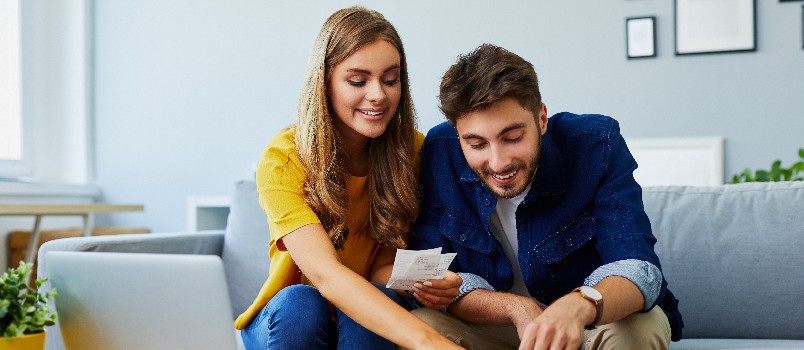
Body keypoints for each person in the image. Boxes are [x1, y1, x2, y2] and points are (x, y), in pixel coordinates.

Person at [407, 44, 683, 350]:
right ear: (458, 135)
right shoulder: (438, 151)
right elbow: (435, 277)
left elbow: (637, 266)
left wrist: (580, 305)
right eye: (476, 144)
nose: (498, 163)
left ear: (541, 119)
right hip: (499, 327)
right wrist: (517, 308)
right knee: (417, 325)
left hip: (589, 322)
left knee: (638, 329)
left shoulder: (597, 145)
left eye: (512, 138)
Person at [234, 7, 463, 350]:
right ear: (324, 83)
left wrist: (420, 281)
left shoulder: (413, 151)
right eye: (358, 81)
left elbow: (382, 270)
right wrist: (430, 343)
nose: (378, 95)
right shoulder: (283, 158)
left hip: (360, 317)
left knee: (372, 298)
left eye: (390, 79)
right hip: (288, 322)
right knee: (302, 302)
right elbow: (325, 274)